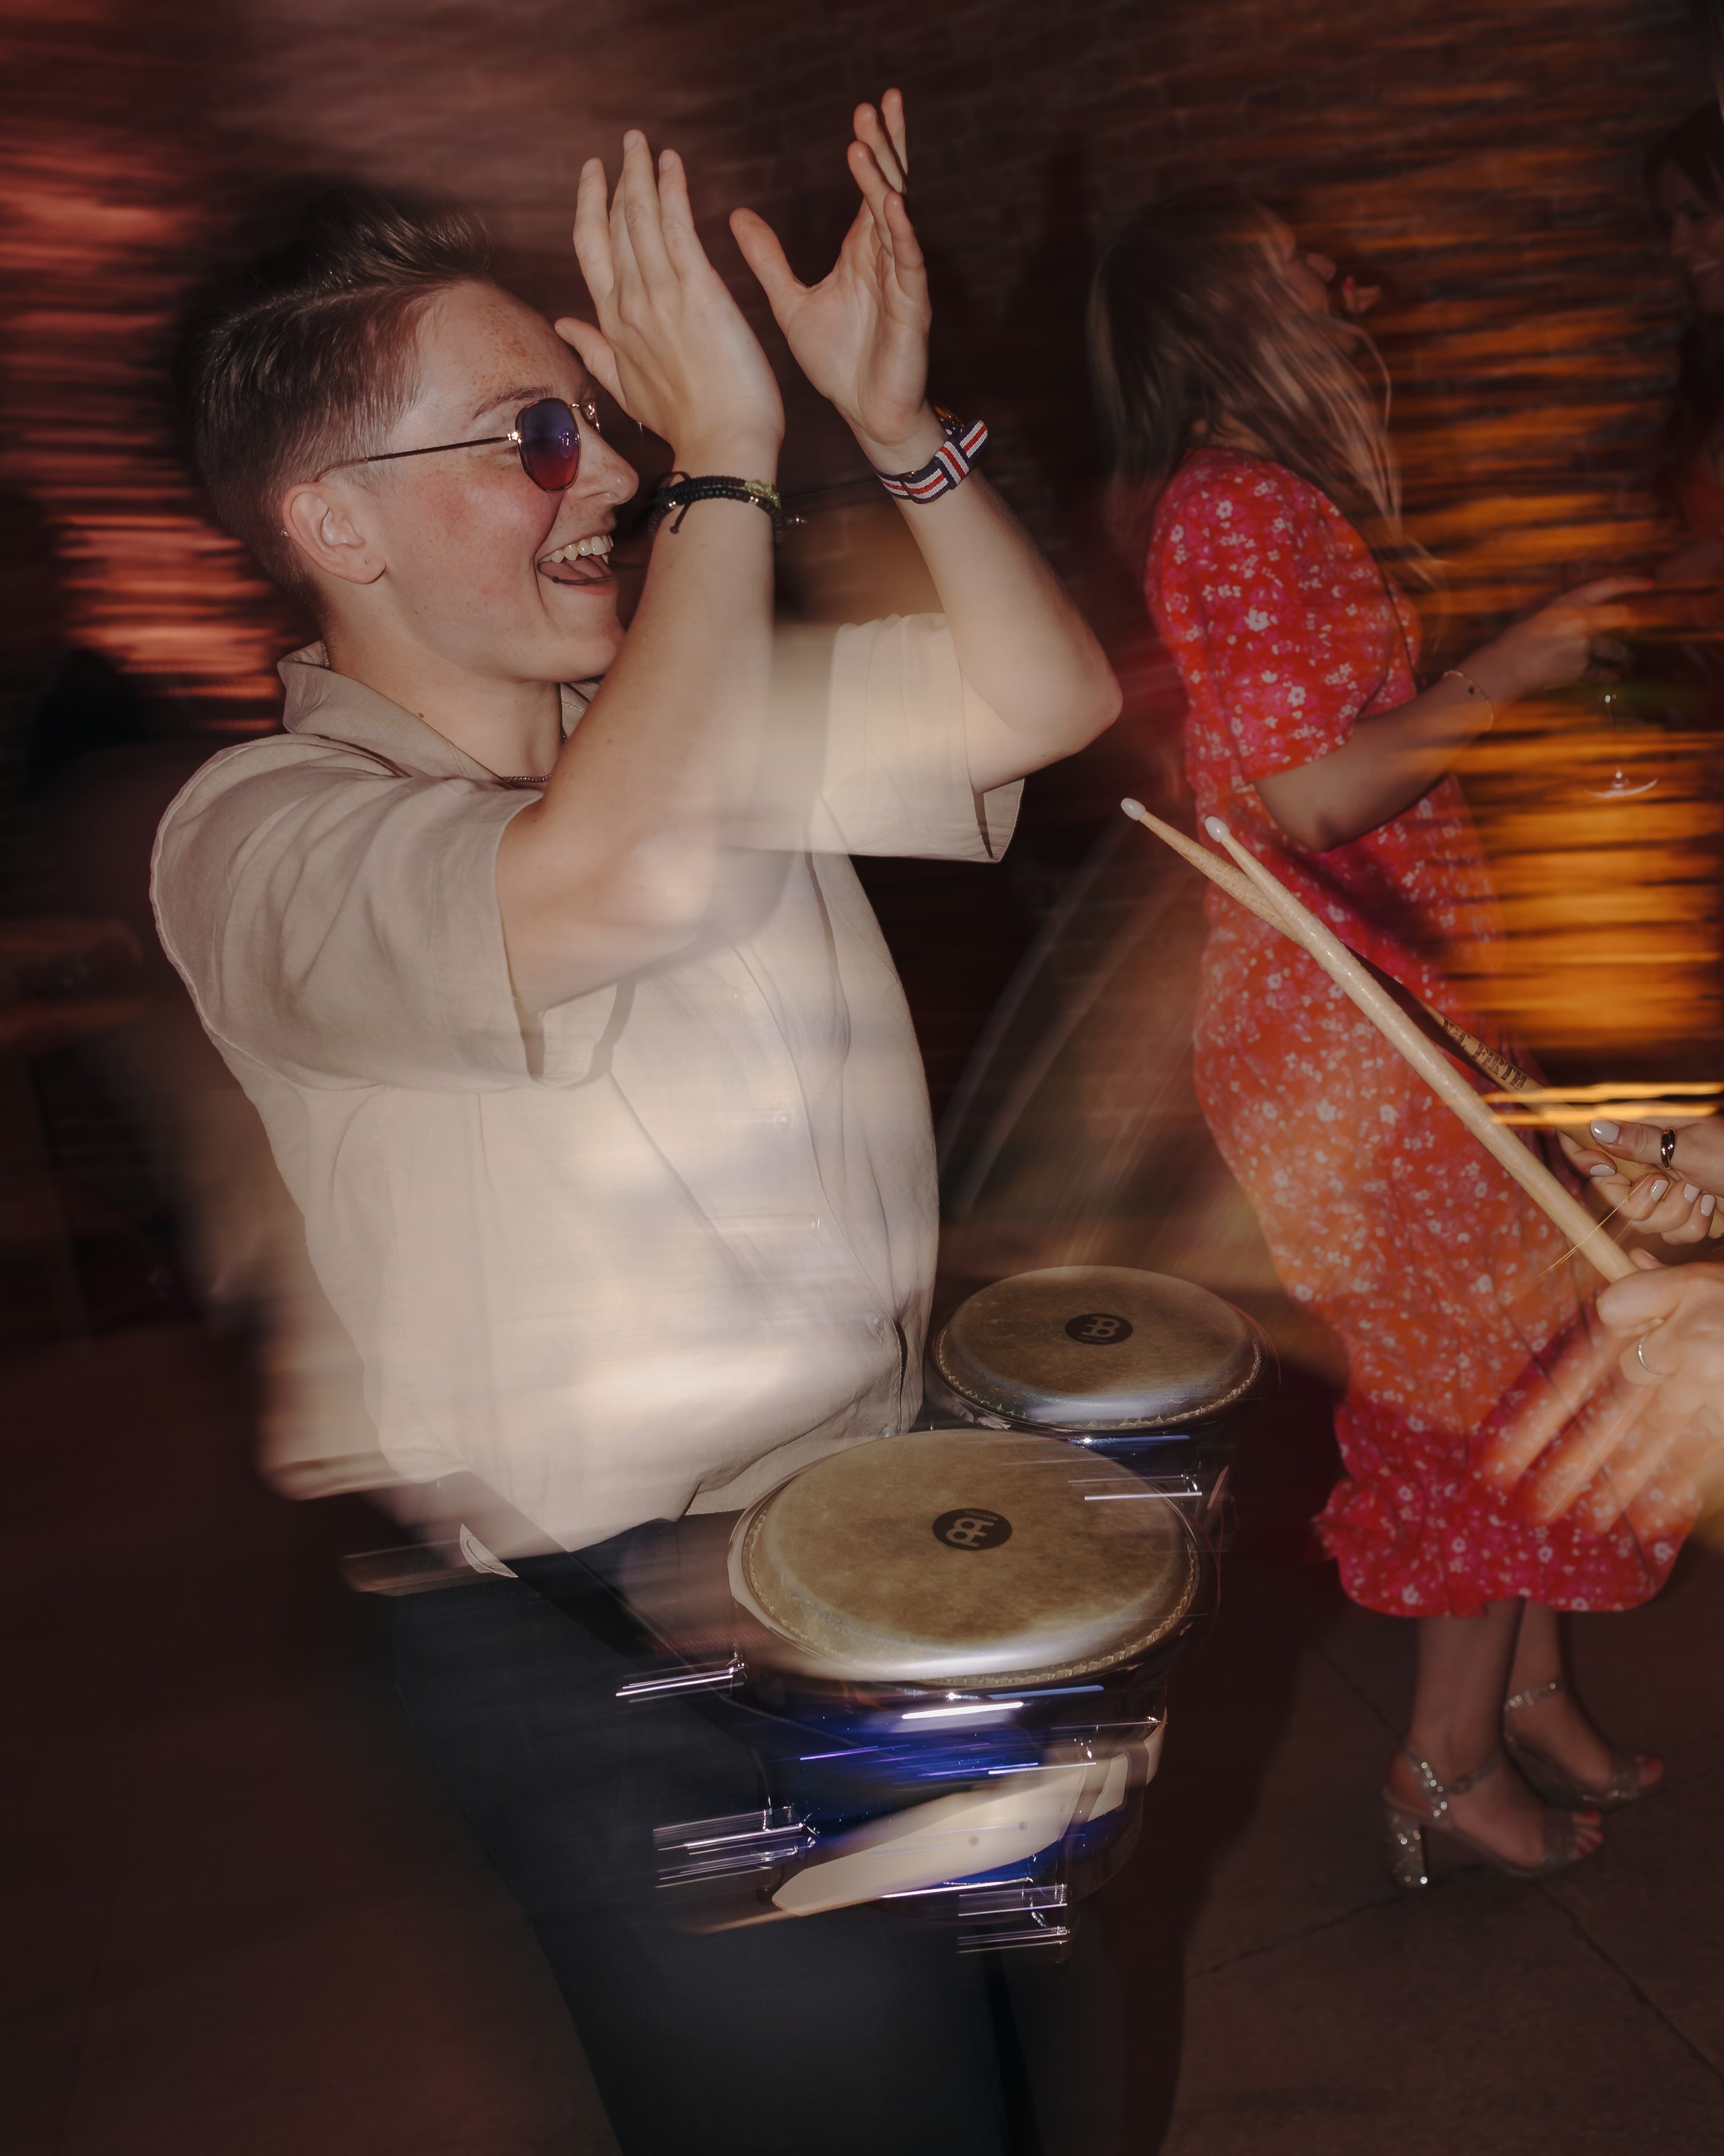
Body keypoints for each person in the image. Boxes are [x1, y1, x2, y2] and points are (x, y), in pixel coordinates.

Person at [152, 99, 1121, 2156]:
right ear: (331, 520)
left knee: (1020, 2104)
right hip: (612, 1647)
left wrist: (892, 416)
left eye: (596, 417)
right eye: (530, 437)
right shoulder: (255, 835)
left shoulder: (659, 715)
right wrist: (724, 463)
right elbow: (608, 888)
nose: (594, 472)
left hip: (875, 1540)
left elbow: (1040, 697)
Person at [1088, 192, 1687, 1888]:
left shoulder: (1252, 501)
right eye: (1296, 268)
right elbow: (1311, 795)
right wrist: (1533, 653)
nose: (1343, 288)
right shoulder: (1238, 503)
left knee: (1541, 1356)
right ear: (1222, 316)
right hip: (1348, 1042)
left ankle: (1539, 1688)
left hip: (1394, 1013)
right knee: (1477, 1401)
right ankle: (1439, 1762)